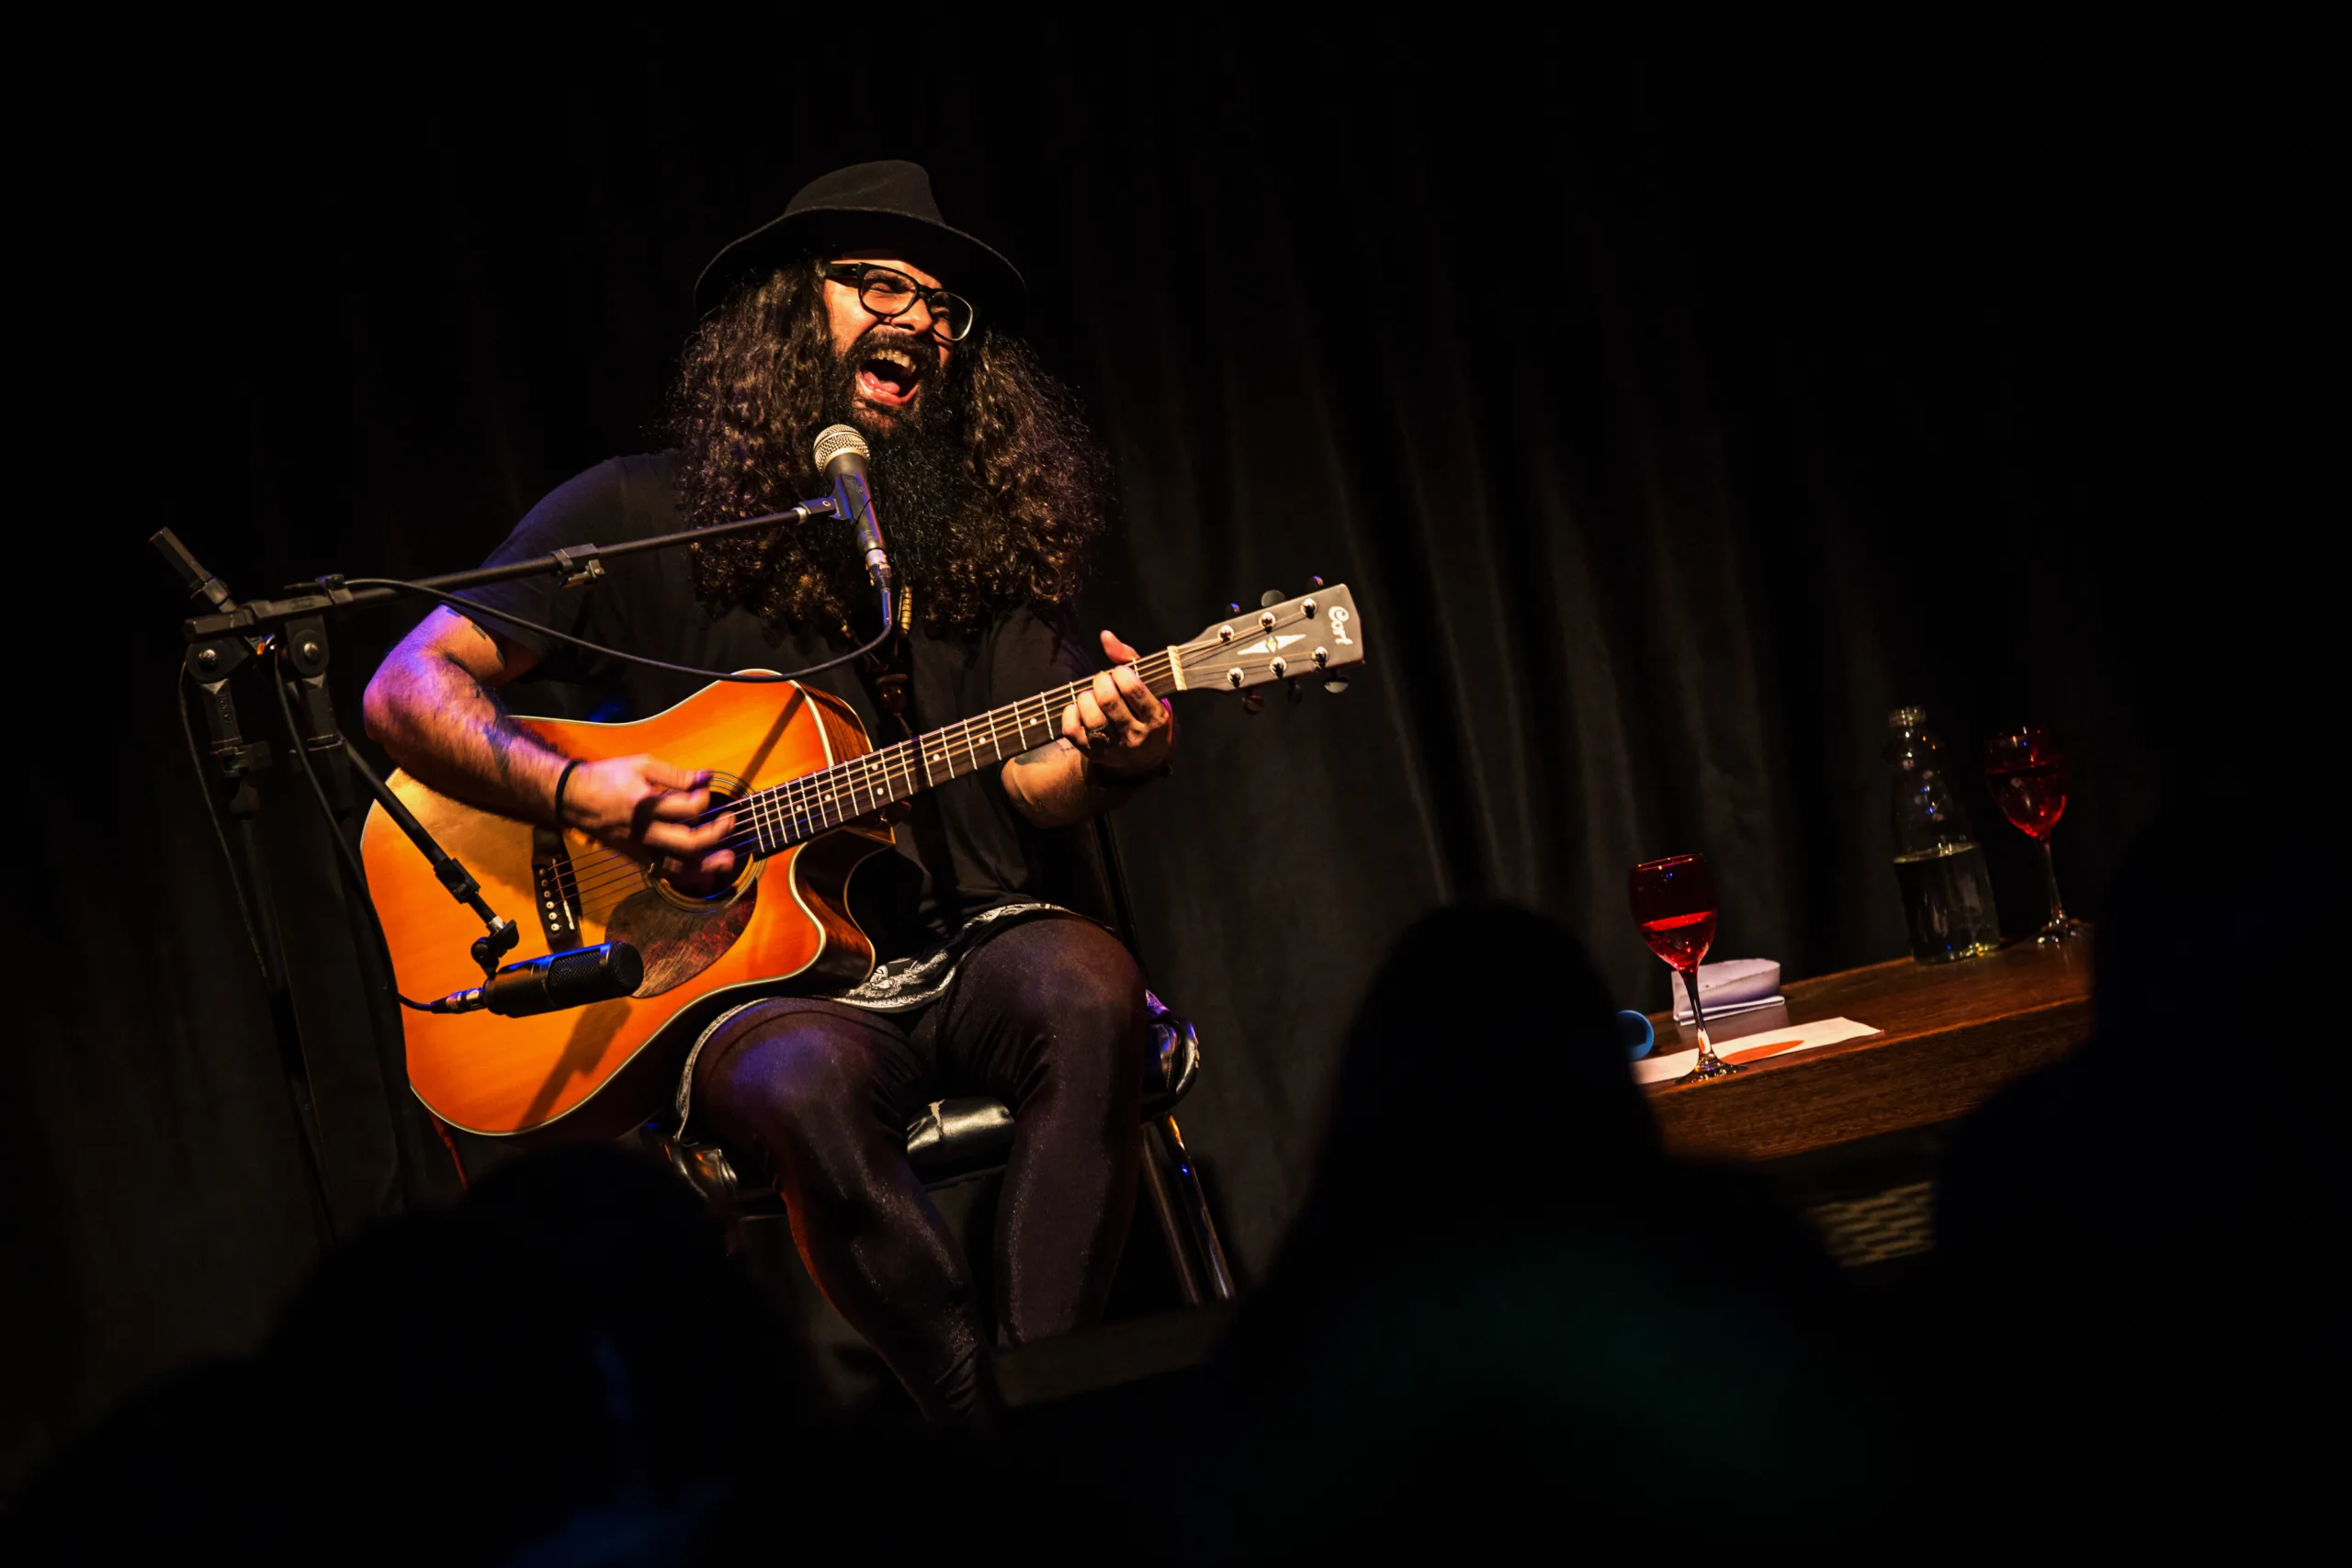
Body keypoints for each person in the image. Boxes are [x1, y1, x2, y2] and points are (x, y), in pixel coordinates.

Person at [363, 161, 1171, 1424]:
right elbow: (408, 685)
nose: (919, 321)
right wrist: (584, 796)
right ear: (790, 313)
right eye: (880, 286)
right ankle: (992, 1431)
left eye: (944, 310)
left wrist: (1116, 748)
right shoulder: (641, 511)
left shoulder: (988, 531)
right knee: (800, 1084)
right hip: (756, 990)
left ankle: (1036, 1410)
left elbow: (1037, 778)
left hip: (962, 943)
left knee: (1089, 985)